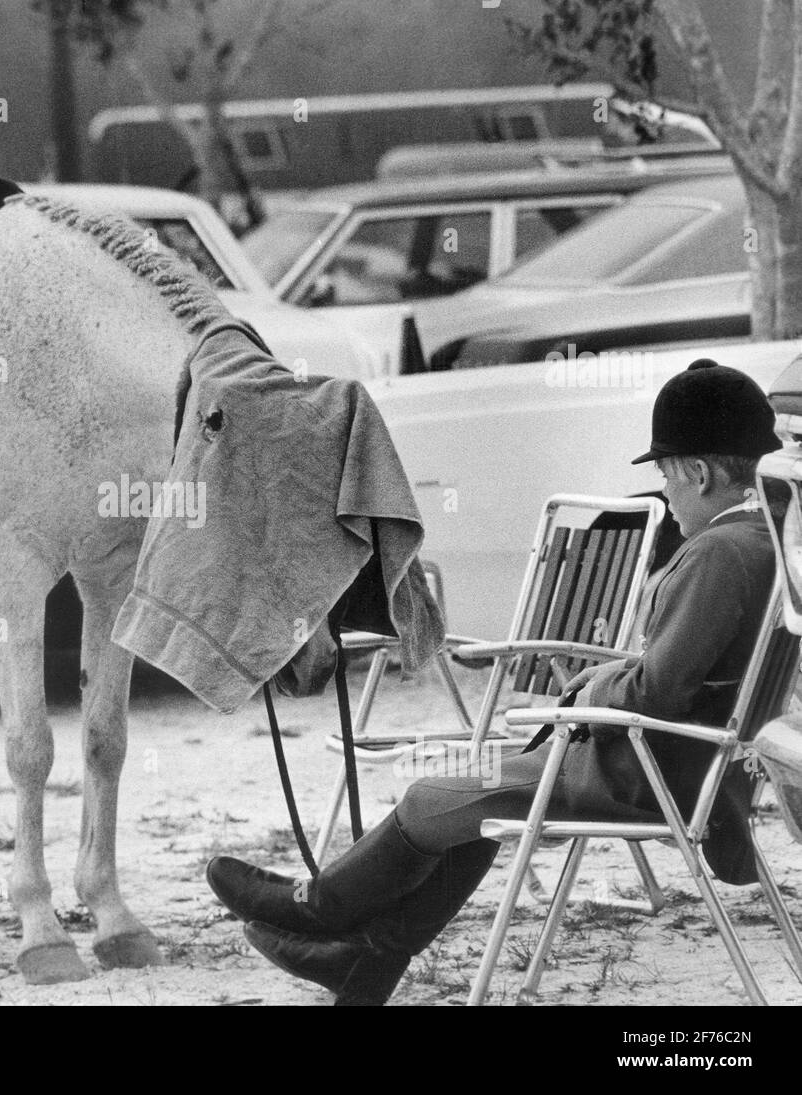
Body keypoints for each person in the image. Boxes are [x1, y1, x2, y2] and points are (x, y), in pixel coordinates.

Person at [207, 358, 783, 1005]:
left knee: (431, 797)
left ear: (699, 473)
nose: (666, 494)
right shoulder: (770, 545)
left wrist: (595, 691)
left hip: (638, 773)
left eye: (665, 475)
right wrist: (613, 673)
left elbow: (657, 692)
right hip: (683, 768)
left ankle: (319, 906)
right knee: (468, 810)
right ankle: (361, 961)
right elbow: (684, 679)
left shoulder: (717, 554)